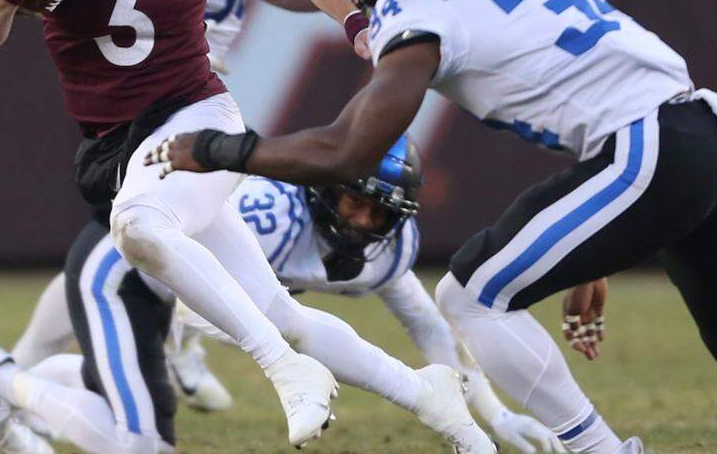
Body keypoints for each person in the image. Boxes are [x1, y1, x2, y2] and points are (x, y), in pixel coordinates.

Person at [146, 0, 717, 454]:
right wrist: (593, 255)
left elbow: (348, 151)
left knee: (471, 295)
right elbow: (598, 89)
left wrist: (218, 149)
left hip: (646, 151)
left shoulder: (416, 3)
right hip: (701, 136)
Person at [0, 0, 491, 453]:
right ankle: (432, 398)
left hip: (193, 111)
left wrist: (360, 26)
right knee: (282, 314)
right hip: (111, 140)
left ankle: (284, 371)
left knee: (139, 225)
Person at [2, 0, 313, 373]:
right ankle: (184, 343)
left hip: (201, 72)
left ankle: (25, 370)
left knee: (140, 233)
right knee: (133, 233)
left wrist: (356, 3)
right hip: (154, 75)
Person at [164, 135, 564, 453]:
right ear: (327, 187)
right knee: (217, 310)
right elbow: (190, 286)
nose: (363, 221)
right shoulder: (269, 215)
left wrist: (496, 415)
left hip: (266, 296)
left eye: (381, 212)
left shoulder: (391, 250)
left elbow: (429, 327)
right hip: (184, 241)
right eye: (356, 200)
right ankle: (179, 351)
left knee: (281, 320)